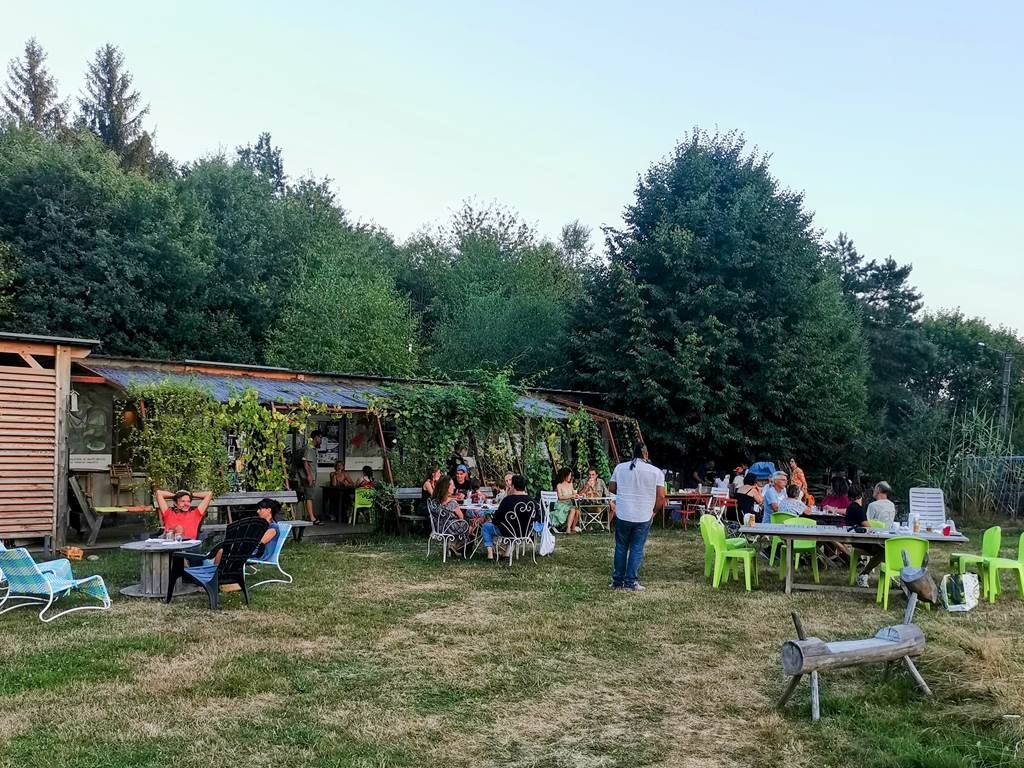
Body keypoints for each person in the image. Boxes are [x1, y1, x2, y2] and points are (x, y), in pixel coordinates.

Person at [607, 442, 665, 591]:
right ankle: (631, 581)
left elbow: (611, 487)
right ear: (646, 454)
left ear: (633, 453)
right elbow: (661, 497)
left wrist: (627, 489)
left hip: (623, 513)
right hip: (643, 515)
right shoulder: (656, 472)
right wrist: (654, 512)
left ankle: (617, 581)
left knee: (621, 547)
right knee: (636, 548)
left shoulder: (620, 468)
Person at [481, 474, 536, 559]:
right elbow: (536, 517)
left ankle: (490, 554)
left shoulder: (507, 500)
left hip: (507, 531)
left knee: (486, 526)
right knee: (511, 525)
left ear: (513, 486)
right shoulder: (531, 501)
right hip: (525, 532)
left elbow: (496, 518)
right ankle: (506, 554)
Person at [427, 474, 470, 555]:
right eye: (452, 485)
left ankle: (453, 546)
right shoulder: (452, 503)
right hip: (448, 528)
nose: (454, 487)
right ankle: (458, 547)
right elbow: (461, 518)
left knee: (466, 522)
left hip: (437, 528)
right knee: (468, 522)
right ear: (446, 487)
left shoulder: (434, 501)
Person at [297, 431, 322, 523]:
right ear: (316, 438)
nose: (321, 440)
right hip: (307, 477)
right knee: (309, 496)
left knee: (309, 496)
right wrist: (309, 476)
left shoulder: (313, 449)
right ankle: (312, 517)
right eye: (320, 437)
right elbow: (305, 462)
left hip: (310, 476)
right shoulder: (309, 448)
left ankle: (309, 516)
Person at [550, 467, 581, 533]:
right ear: (565, 476)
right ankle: (568, 528)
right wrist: (572, 496)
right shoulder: (559, 485)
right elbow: (560, 497)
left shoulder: (571, 484)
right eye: (569, 475)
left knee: (577, 510)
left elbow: (573, 494)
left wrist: (576, 496)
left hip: (569, 504)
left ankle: (573, 528)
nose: (570, 477)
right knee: (573, 509)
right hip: (561, 504)